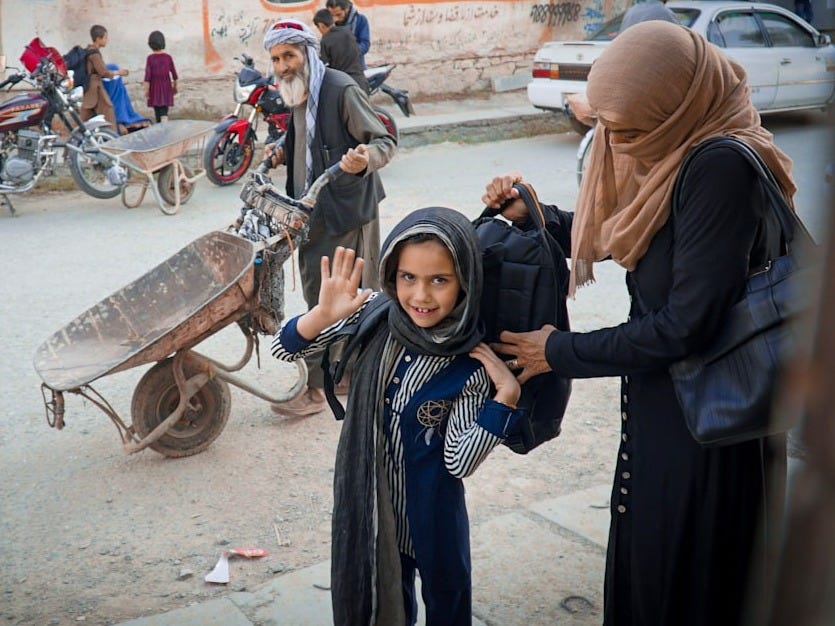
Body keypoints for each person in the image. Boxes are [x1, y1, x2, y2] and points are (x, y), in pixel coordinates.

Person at [482, 21, 795, 626]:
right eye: (606, 126)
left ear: (678, 109)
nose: (615, 143)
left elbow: (685, 325)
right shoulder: (678, 152)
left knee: (688, 576)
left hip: (708, 423)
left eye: (630, 130)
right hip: (669, 402)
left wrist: (560, 351)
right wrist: (539, 214)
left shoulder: (718, 166)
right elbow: (635, 232)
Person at [271, 208, 523, 625]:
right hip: (374, 508)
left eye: (439, 280)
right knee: (386, 597)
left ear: (466, 281)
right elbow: (286, 349)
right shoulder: (375, 318)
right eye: (408, 278)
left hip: (434, 517)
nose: (421, 296)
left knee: (448, 601)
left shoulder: (470, 362)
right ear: (392, 274)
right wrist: (323, 316)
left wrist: (505, 399)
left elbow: (459, 460)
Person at [263, 19, 395, 416]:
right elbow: (310, 140)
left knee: (340, 296)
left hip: (347, 212)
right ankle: (347, 374)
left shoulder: (338, 87)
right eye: (276, 58)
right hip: (311, 212)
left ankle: (319, 389)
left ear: (307, 53)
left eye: (289, 55)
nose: (283, 65)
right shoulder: (299, 91)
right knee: (323, 293)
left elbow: (383, 141)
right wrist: (282, 151)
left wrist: (363, 159)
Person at [80, 25, 129, 132]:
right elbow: (103, 72)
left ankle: (80, 136)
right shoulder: (94, 54)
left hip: (90, 86)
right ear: (98, 39)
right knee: (108, 109)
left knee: (86, 115)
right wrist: (119, 72)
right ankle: (113, 137)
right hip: (95, 87)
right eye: (105, 38)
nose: (107, 40)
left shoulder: (88, 51)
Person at [313, 8, 370, 92]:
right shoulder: (347, 32)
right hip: (361, 82)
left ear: (321, 25)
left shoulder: (326, 41)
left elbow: (324, 67)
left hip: (344, 86)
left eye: (318, 28)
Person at [102, 63, 151, 134]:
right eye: (107, 79)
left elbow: (128, 110)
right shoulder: (101, 96)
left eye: (116, 78)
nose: (112, 81)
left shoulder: (120, 91)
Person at [143, 30, 178, 123]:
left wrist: (146, 90)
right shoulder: (168, 57)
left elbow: (147, 77)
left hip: (154, 89)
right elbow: (174, 75)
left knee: (157, 111)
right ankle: (164, 126)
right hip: (166, 88)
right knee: (164, 111)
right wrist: (175, 87)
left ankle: (161, 127)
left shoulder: (150, 58)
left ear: (150, 44)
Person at [326, 0, 371, 69]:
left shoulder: (360, 20)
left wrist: (349, 53)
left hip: (357, 67)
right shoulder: (327, 22)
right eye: (331, 15)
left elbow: (365, 44)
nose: (335, 19)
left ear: (347, 9)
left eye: (338, 14)